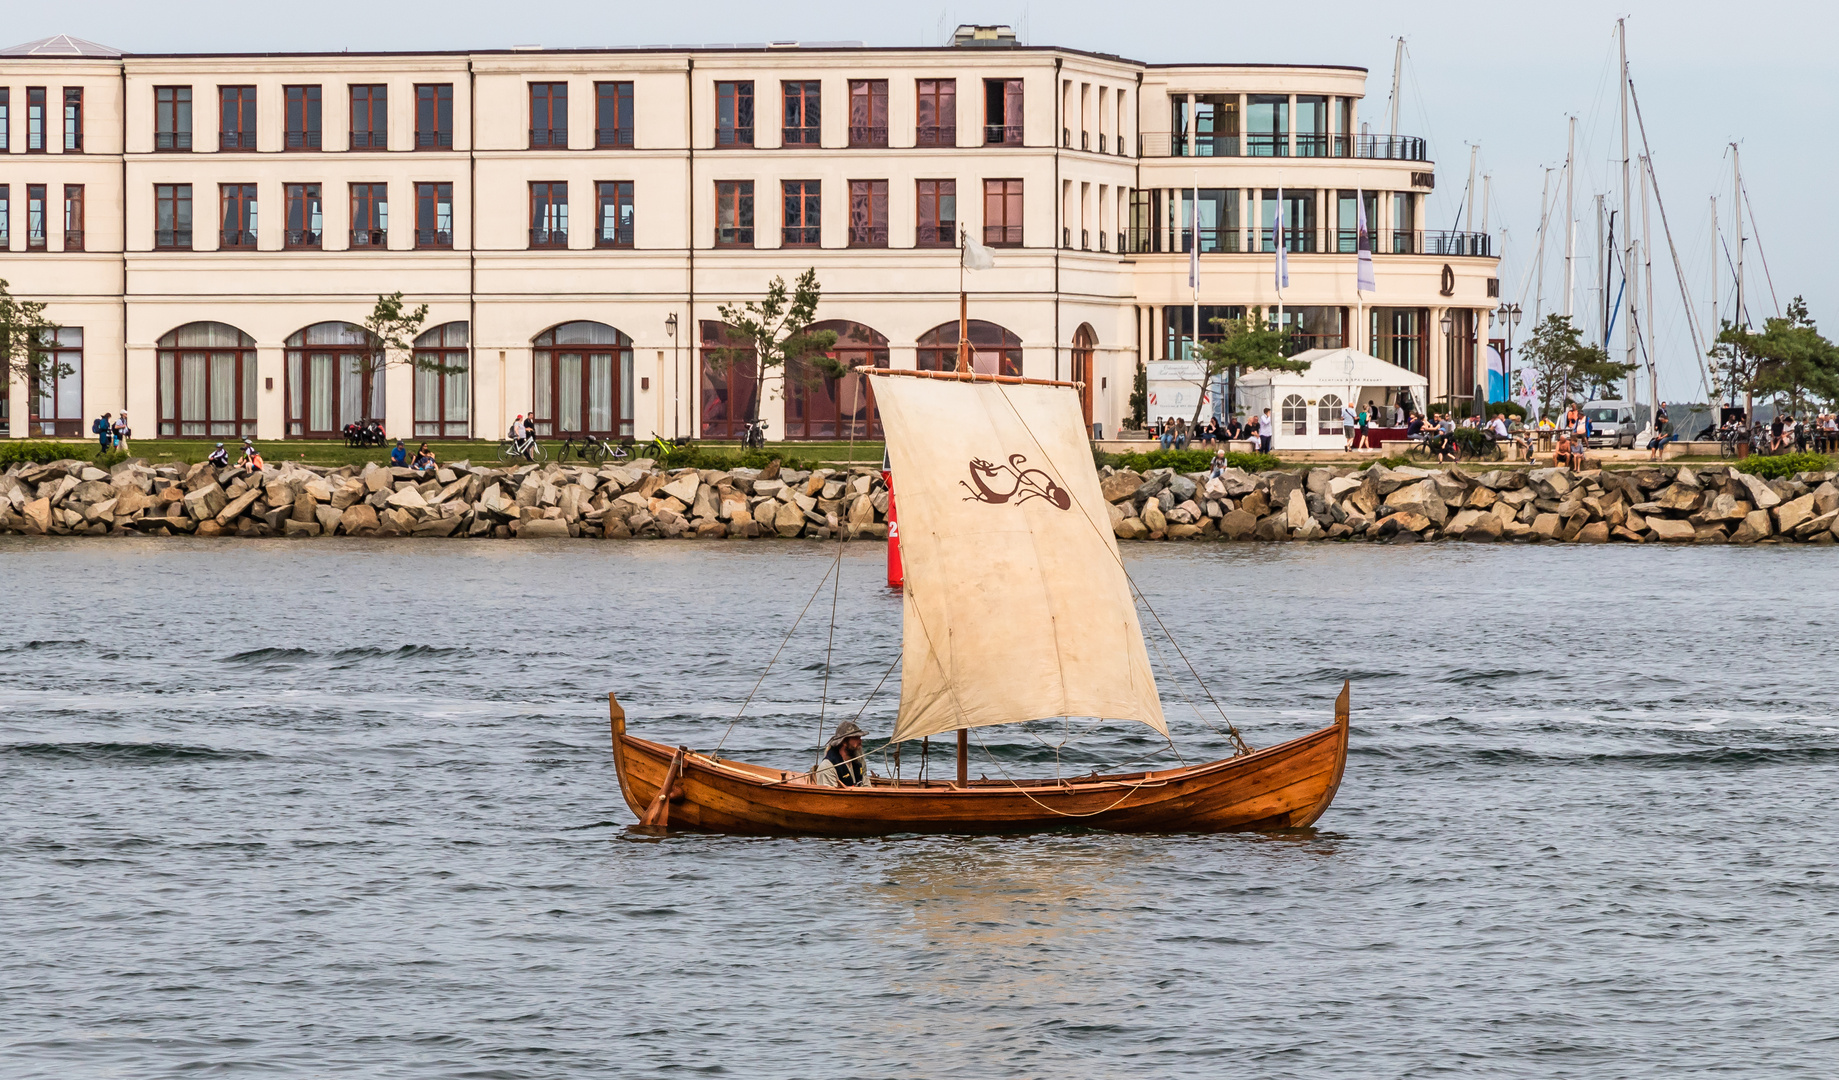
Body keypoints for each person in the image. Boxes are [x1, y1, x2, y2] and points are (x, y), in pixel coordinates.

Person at [813, 720, 869, 788]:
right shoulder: (827, 767)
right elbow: (828, 796)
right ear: (844, 742)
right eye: (856, 738)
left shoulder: (859, 761)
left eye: (860, 738)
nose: (860, 741)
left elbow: (867, 787)